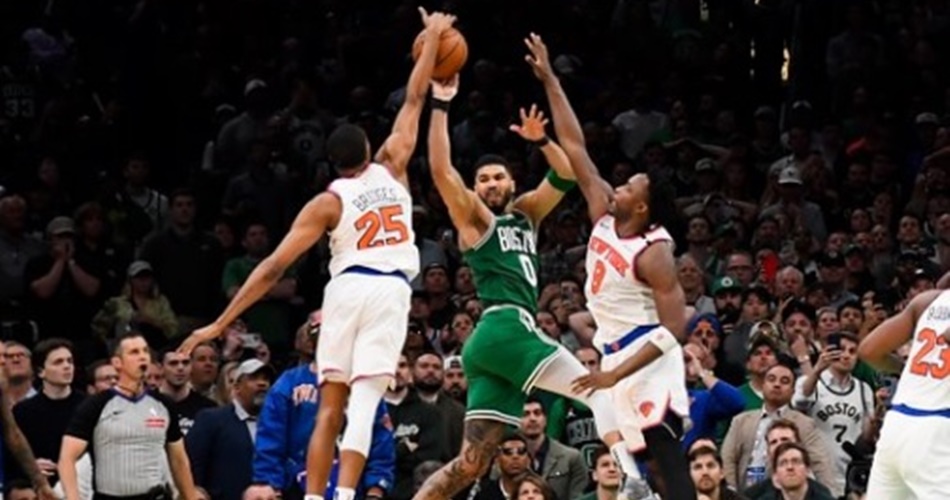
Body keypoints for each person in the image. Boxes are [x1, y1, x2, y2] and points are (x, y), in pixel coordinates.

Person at [179, 10, 456, 500]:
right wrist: (433, 38)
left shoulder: (327, 202)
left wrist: (220, 323)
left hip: (346, 289)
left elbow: (272, 267)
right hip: (390, 290)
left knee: (330, 404)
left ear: (334, 163)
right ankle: (344, 495)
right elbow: (414, 97)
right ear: (368, 148)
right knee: (364, 404)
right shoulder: (393, 166)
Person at [413, 73, 630, 500]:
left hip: (491, 349)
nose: (491, 184)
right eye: (483, 180)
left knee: (471, 465)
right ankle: (637, 481)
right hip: (506, 327)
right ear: (475, 189)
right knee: (598, 390)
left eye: (498, 177)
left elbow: (566, 173)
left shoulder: (527, 213)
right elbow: (441, 170)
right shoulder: (475, 219)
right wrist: (440, 104)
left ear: (512, 182)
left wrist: (542, 140)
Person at [525, 33, 695, 499]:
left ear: (642, 207)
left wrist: (616, 375)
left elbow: (674, 329)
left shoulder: (654, 251)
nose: (618, 185)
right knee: (630, 452)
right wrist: (550, 79)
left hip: (648, 354)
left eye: (630, 187)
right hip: (613, 349)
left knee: (663, 452)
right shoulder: (603, 209)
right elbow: (575, 145)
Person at [58, 331, 199, 500]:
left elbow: (179, 460)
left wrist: (190, 497)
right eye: (134, 352)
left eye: (145, 351)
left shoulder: (163, 405)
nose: (142, 357)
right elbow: (67, 459)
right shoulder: (96, 405)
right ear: (117, 363)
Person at [858, 289, 950, 499]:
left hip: (896, 425)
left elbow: (869, 351)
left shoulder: (928, 300)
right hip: (937, 431)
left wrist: (905, 369)